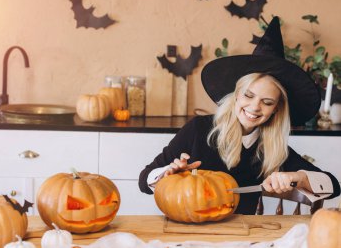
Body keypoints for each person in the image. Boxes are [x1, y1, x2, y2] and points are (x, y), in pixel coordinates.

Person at [138, 16, 340, 215]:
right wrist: (167, 174)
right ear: (235, 95)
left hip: (243, 235)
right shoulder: (198, 129)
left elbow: (333, 186)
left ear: (276, 109)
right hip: (191, 229)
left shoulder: (271, 149)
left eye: (267, 102)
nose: (255, 107)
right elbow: (144, 181)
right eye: (248, 95)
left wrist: (299, 178)